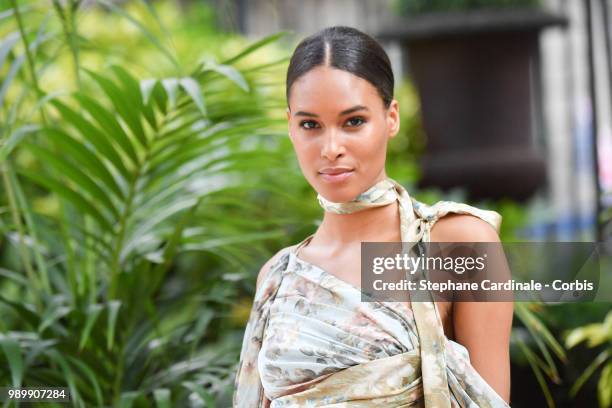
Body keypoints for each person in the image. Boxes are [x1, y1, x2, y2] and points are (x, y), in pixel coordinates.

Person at [233, 25, 513, 407]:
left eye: (353, 122)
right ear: (290, 127)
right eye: (310, 125)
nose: (331, 148)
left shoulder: (460, 242)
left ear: (391, 117)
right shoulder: (278, 277)